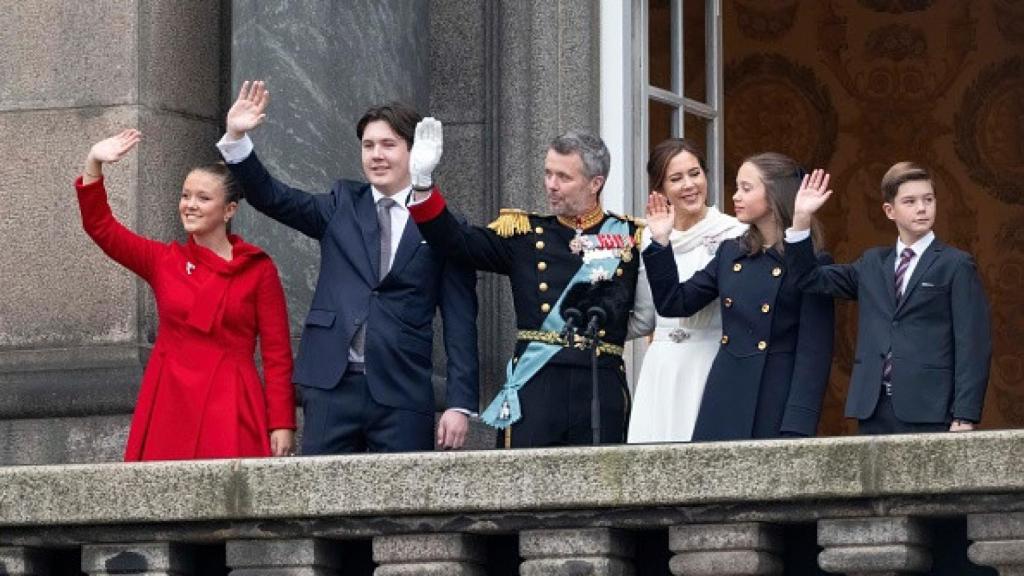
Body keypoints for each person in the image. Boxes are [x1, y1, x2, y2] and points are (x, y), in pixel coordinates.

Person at [216, 81, 479, 454]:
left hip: (402, 389)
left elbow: (460, 320)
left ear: (416, 151)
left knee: (400, 508)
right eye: (368, 146)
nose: (377, 156)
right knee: (321, 506)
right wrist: (237, 138)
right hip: (330, 386)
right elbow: (272, 197)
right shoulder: (342, 204)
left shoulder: (445, 226)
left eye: (389, 145)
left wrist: (458, 403)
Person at [406, 121, 642, 448]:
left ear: (595, 183)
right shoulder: (525, 235)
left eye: (563, 177)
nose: (551, 185)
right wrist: (422, 186)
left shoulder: (631, 239)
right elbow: (456, 241)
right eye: (548, 173)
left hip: (599, 385)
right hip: (536, 384)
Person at [76, 129, 296, 461]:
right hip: (170, 400)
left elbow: (277, 355)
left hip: (232, 401)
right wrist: (94, 163)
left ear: (229, 210)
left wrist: (282, 422)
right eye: (185, 196)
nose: (190, 205)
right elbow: (101, 227)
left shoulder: (257, 269)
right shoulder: (163, 261)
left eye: (203, 198)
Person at [785, 162, 991, 434]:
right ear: (889, 210)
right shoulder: (872, 263)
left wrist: (964, 415)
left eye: (928, 199)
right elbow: (808, 279)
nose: (922, 208)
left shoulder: (956, 264)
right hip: (873, 407)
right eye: (910, 201)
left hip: (931, 408)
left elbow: (972, 344)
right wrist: (801, 220)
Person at [643, 152, 834, 440]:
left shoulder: (811, 263)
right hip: (724, 396)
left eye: (746, 188)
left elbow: (814, 353)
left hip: (776, 399)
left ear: (774, 195)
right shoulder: (731, 252)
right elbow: (675, 303)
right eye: (737, 187)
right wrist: (660, 242)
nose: (735, 196)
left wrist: (799, 423)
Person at [626, 139, 747, 443]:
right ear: (660, 188)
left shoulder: (736, 233)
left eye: (695, 173)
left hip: (712, 360)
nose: (689, 185)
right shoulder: (648, 238)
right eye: (676, 178)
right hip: (663, 367)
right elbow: (644, 318)